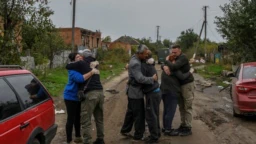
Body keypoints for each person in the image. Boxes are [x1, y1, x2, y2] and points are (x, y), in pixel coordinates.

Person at [66, 49, 105, 144]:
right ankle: (100, 139)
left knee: (86, 121)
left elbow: (67, 66)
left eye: (80, 56)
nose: (80, 58)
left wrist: (79, 62)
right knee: (99, 119)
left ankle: (87, 141)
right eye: (78, 57)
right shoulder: (95, 63)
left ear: (83, 57)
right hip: (100, 92)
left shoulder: (81, 63)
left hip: (90, 94)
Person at [120, 44, 158, 141]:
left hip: (132, 91)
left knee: (131, 112)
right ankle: (138, 135)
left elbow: (146, 58)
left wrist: (150, 59)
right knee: (139, 115)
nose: (146, 56)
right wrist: (152, 79)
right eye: (145, 54)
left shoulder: (135, 57)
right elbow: (140, 78)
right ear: (140, 54)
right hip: (135, 93)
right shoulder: (135, 63)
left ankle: (125, 130)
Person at [163, 44, 195, 136]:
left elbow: (173, 67)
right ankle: (183, 124)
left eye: (175, 52)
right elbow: (165, 65)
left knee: (187, 106)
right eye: (172, 52)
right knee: (181, 106)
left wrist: (167, 60)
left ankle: (188, 127)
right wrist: (164, 66)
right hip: (179, 85)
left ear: (180, 51)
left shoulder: (183, 57)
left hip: (187, 84)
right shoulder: (174, 58)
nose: (173, 54)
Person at [141, 50, 161, 143]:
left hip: (152, 94)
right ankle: (157, 133)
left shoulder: (144, 66)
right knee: (155, 114)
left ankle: (154, 137)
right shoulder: (151, 65)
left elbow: (140, 79)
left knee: (150, 116)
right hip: (156, 92)